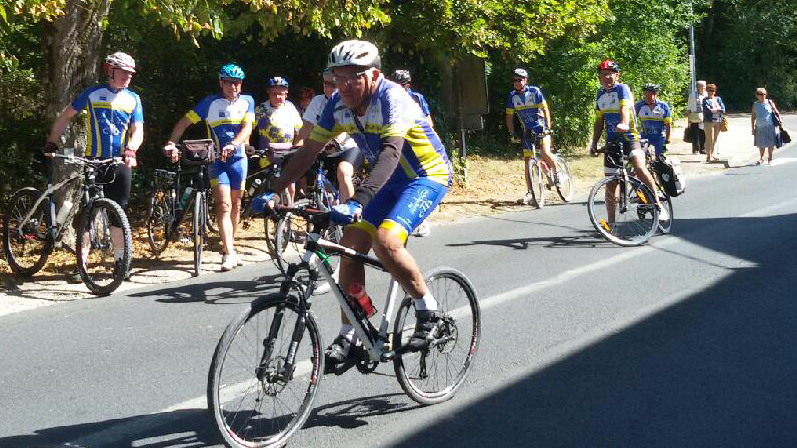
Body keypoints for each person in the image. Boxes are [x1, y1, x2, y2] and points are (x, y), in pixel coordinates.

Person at [255, 40, 451, 371]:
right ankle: (351, 332)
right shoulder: (336, 105)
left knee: (385, 241)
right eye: (337, 77)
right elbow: (308, 152)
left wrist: (358, 200)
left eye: (352, 77)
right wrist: (272, 190)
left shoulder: (392, 98)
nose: (343, 85)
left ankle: (427, 308)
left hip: (425, 176)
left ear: (374, 75)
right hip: (388, 182)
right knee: (348, 248)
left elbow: (390, 153)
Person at [44, 51, 143, 279]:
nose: (128, 77)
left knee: (119, 213)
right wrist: (52, 140)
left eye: (131, 73)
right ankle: (82, 265)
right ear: (110, 70)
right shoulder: (92, 93)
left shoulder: (133, 99)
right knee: (88, 213)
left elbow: (138, 130)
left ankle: (121, 262)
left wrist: (131, 149)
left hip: (119, 161)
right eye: (123, 72)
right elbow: (65, 116)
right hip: (94, 161)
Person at [163, 63, 255, 272]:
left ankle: (230, 247)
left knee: (236, 204)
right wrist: (171, 143)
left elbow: (247, 127)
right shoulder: (209, 103)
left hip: (239, 158)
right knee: (223, 204)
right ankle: (229, 253)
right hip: (217, 160)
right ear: (221, 83)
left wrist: (234, 144)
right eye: (229, 82)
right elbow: (184, 123)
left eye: (237, 83)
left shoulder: (248, 101)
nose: (233, 86)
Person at [589, 59, 667, 222]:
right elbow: (599, 121)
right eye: (603, 74)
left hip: (630, 137)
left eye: (610, 74)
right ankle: (611, 224)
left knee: (639, 167)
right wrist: (594, 142)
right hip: (612, 141)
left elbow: (624, 107)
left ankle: (658, 205)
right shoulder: (600, 94)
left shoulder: (622, 88)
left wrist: (624, 123)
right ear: (599, 77)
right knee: (610, 184)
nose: (606, 77)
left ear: (617, 75)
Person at [296, 69, 363, 203]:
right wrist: (296, 148)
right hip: (325, 150)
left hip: (348, 147)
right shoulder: (317, 101)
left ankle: (350, 211)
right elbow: (306, 128)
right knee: (323, 186)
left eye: (332, 84)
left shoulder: (350, 100)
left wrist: (338, 141)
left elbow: (354, 128)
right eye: (325, 84)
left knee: (343, 173)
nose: (328, 88)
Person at [505, 68, 556, 206]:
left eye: (519, 80)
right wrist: (512, 133)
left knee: (545, 152)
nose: (516, 82)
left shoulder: (534, 91)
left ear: (525, 80)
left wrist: (548, 127)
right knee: (528, 161)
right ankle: (529, 192)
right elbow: (509, 117)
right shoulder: (512, 96)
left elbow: (545, 109)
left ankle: (558, 175)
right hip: (527, 131)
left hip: (541, 128)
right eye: (514, 80)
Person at [255, 76, 304, 202]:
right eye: (274, 94)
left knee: (290, 184)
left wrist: (299, 146)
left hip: (287, 152)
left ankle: (289, 208)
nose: (278, 97)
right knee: (271, 185)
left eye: (281, 94)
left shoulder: (290, 107)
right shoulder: (261, 109)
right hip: (268, 153)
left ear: (286, 93)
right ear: (268, 93)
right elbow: (249, 128)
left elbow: (300, 130)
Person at [634, 84, 672, 156]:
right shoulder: (639, 106)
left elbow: (668, 124)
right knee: (641, 156)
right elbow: (631, 120)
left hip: (660, 137)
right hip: (645, 136)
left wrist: (667, 139)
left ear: (655, 95)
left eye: (650, 95)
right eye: (645, 95)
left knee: (660, 158)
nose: (647, 97)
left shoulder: (663, 106)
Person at [751, 87, 781, 165]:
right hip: (759, 127)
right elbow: (753, 117)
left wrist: (780, 119)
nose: (763, 95)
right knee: (761, 144)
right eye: (761, 94)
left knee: (771, 143)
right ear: (757, 95)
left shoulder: (770, 102)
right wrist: (752, 128)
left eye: (764, 94)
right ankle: (761, 158)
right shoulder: (755, 104)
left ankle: (770, 158)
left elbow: (776, 111)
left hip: (770, 126)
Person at [702, 83, 725, 162]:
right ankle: (708, 155)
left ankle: (712, 154)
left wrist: (715, 110)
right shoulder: (705, 100)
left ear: (715, 91)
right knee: (709, 139)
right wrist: (717, 110)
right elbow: (707, 110)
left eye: (712, 90)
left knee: (715, 139)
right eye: (709, 90)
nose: (710, 92)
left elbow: (723, 109)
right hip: (708, 121)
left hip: (718, 121)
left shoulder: (718, 99)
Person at [687, 80, 707, 154]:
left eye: (704, 86)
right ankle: (696, 149)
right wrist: (688, 119)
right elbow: (689, 108)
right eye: (702, 86)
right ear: (698, 87)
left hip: (704, 116)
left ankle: (703, 148)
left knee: (703, 132)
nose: (704, 88)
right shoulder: (692, 96)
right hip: (695, 116)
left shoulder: (706, 95)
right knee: (695, 133)